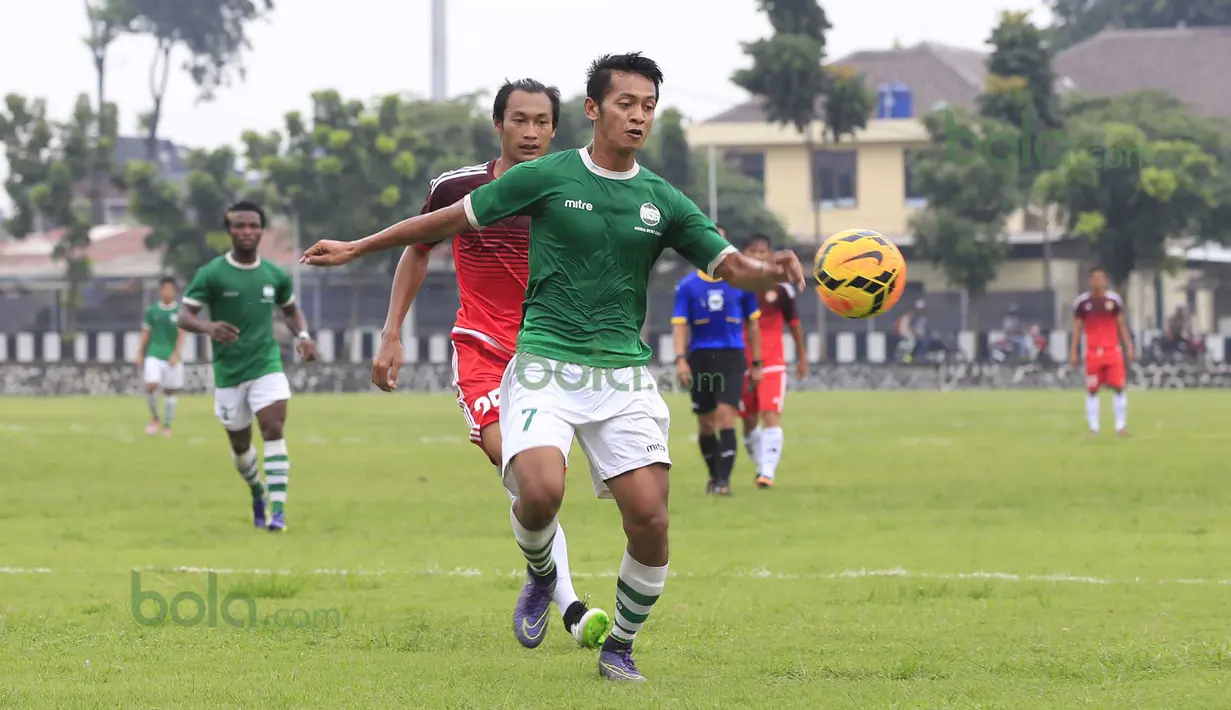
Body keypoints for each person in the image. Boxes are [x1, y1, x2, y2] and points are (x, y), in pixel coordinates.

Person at [300, 52, 805, 682]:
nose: (638, 116)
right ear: (593, 110)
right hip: (542, 364)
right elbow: (451, 219)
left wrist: (770, 271)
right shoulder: (549, 177)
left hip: (621, 377)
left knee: (650, 519)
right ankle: (545, 574)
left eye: (648, 106)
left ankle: (618, 646)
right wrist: (358, 246)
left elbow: (730, 265)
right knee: (538, 491)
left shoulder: (662, 199)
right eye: (626, 103)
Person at [370, 78, 611, 651]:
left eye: (541, 122)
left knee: (540, 493)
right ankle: (571, 603)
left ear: (556, 129)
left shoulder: (576, 192)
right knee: (523, 472)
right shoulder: (458, 188)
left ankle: (538, 571)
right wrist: (391, 333)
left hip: (550, 359)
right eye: (519, 120)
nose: (530, 132)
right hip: (480, 348)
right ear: (498, 124)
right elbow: (418, 248)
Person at [179, 201, 318, 531]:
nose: (247, 232)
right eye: (239, 226)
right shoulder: (211, 274)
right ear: (228, 231)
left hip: (266, 364)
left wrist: (303, 334)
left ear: (261, 230)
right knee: (241, 448)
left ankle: (278, 514)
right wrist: (209, 328)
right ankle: (256, 490)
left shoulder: (274, 274)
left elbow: (290, 310)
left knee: (273, 428)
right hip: (228, 373)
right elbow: (184, 315)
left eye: (253, 226)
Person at [671, 261, 762, 496]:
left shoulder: (741, 283)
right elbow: (680, 325)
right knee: (706, 424)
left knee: (726, 417)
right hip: (700, 359)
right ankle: (714, 476)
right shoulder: (688, 286)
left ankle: (723, 481)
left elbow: (753, 324)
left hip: (732, 357)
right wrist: (680, 359)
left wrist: (757, 363)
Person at [738, 234, 807, 488]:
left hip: (773, 361)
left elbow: (795, 326)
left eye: (763, 251)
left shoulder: (781, 290)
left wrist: (802, 357)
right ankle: (761, 466)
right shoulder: (737, 286)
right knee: (748, 421)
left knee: (771, 414)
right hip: (741, 360)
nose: (758, 256)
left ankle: (767, 472)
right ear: (744, 254)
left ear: (770, 255)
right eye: (753, 251)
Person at [1070, 267, 1133, 436]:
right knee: (1092, 390)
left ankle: (1120, 426)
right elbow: (1077, 329)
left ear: (1105, 281)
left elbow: (1121, 326)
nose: (1097, 282)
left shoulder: (1114, 302)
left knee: (1118, 387)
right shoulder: (1082, 304)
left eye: (1101, 278)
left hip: (1112, 351)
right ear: (1090, 281)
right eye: (1094, 278)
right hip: (1092, 352)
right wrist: (1074, 351)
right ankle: (1093, 427)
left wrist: (1128, 346)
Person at [138, 276, 186, 437]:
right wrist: (139, 353)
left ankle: (167, 425)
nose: (168, 292)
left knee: (170, 392)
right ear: (160, 291)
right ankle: (154, 419)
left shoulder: (179, 311)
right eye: (165, 288)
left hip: (171, 357)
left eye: (171, 289)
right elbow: (146, 333)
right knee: (151, 385)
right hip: (154, 354)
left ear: (175, 292)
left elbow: (181, 335)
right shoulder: (152, 311)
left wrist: (175, 354)